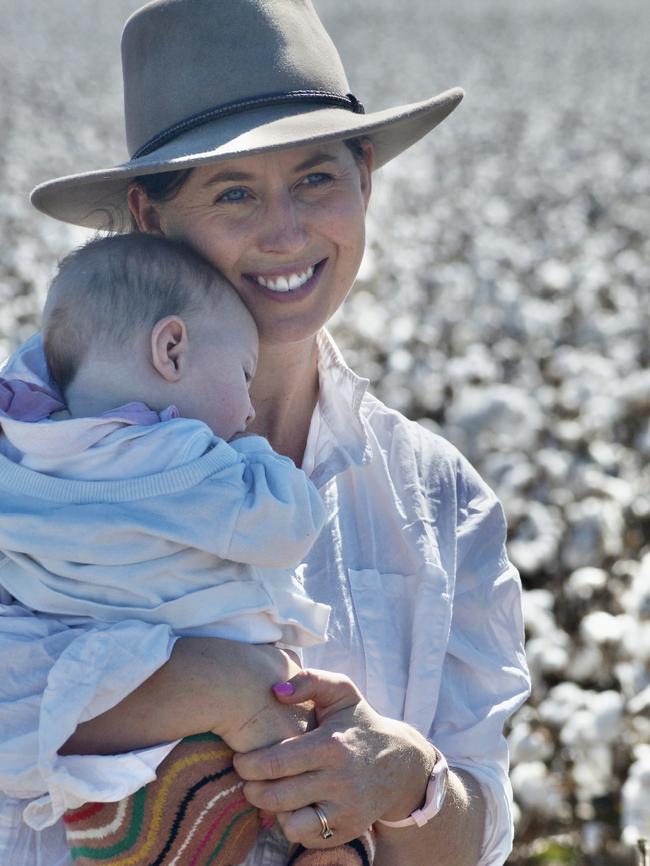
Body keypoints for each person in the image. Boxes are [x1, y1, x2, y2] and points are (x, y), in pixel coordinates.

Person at [0, 1, 531, 865]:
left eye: (317, 178)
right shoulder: (24, 453)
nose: (285, 233)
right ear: (148, 215)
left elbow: (479, 831)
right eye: (234, 191)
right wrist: (212, 687)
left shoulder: (441, 498)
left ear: (367, 177)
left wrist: (411, 781)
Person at [0, 231, 379, 866]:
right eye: (243, 376)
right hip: (210, 698)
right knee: (307, 784)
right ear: (171, 349)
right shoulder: (186, 461)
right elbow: (286, 527)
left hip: (106, 701)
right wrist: (256, 457)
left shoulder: (28, 457)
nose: (249, 412)